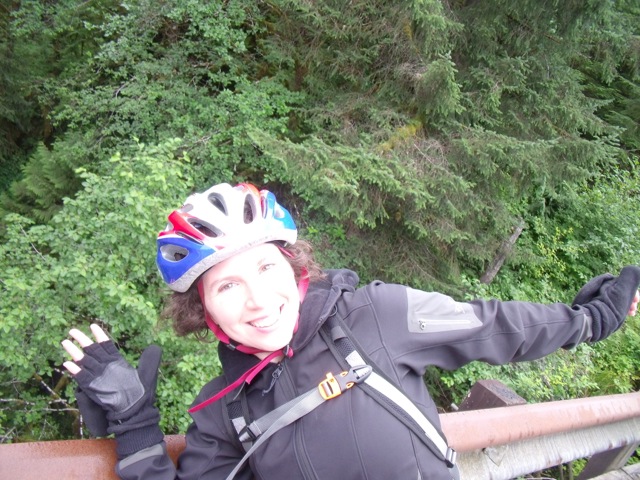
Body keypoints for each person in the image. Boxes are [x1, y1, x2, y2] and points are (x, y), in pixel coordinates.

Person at [61, 182, 640, 480]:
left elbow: (491, 325)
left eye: (265, 268)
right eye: (228, 285)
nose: (258, 300)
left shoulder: (375, 315)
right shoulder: (222, 412)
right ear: (204, 311)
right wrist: (136, 428)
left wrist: (590, 321)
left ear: (294, 268)